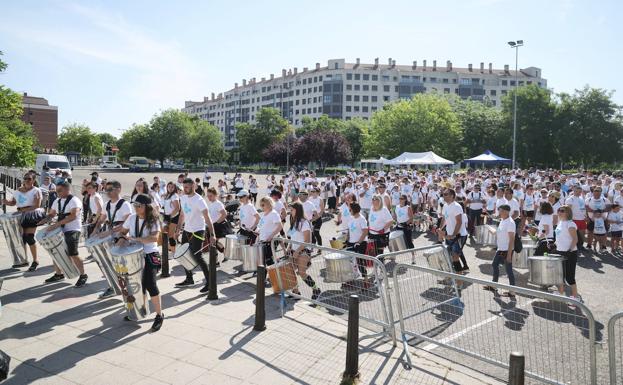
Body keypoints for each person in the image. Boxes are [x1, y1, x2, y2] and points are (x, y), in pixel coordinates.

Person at [118, 194, 164, 331]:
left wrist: (135, 239)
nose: (135, 208)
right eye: (135, 205)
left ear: (146, 206)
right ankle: (142, 310)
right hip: (135, 256)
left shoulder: (154, 220)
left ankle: (159, 315)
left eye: (138, 205)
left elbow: (155, 238)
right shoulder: (132, 218)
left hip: (151, 255)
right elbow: (123, 232)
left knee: (150, 284)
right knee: (138, 284)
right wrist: (121, 240)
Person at [41, 182, 88, 287]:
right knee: (55, 250)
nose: (57, 193)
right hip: (60, 230)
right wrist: (44, 219)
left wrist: (56, 224)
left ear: (67, 190)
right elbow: (52, 214)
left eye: (59, 190)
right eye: (57, 190)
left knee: (73, 253)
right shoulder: (57, 201)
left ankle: (83, 275)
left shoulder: (74, 200)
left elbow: (73, 216)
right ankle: (59, 274)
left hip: (73, 230)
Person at [175, 178, 215, 293]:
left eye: (187, 187)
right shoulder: (182, 198)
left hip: (198, 231)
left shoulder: (199, 200)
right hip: (186, 230)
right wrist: (178, 229)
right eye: (184, 187)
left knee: (198, 257)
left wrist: (212, 234)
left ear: (194, 186)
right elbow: (182, 214)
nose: (185, 189)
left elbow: (208, 218)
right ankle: (189, 279)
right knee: (183, 254)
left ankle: (210, 283)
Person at [2, 173, 45, 270]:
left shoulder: (36, 190)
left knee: (29, 237)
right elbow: (13, 203)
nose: (27, 180)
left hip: (32, 215)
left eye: (29, 179)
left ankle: (35, 260)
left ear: (33, 180)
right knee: (22, 239)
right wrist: (5, 202)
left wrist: (22, 210)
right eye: (25, 178)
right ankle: (23, 260)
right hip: (20, 215)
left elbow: (37, 205)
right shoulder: (17, 191)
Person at [287, 202, 321, 300]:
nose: (290, 212)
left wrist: (297, 251)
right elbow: (291, 237)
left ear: (297, 210)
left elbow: (307, 240)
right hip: (294, 250)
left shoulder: (304, 222)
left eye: (292, 210)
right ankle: (296, 292)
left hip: (303, 251)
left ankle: (316, 289)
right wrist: (289, 248)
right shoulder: (294, 221)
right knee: (291, 271)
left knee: (302, 273)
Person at [484, 204, 516, 297]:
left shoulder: (510, 222)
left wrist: (509, 254)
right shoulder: (503, 220)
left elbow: (511, 239)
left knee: (508, 270)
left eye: (500, 210)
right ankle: (494, 285)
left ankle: (512, 291)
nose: (499, 212)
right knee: (495, 264)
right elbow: (498, 232)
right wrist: (491, 230)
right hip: (501, 249)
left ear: (506, 211)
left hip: (506, 250)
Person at [554, 205, 580, 305]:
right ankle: (560, 293)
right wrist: (554, 244)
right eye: (559, 210)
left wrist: (569, 250)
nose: (559, 212)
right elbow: (560, 237)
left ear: (568, 212)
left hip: (570, 253)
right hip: (560, 251)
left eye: (562, 211)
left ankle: (575, 298)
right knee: (560, 274)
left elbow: (575, 239)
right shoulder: (560, 223)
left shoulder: (570, 224)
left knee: (570, 276)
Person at [440, 189, 465, 274]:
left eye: (446, 194)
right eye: (443, 194)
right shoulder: (445, 206)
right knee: (449, 256)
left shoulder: (457, 206)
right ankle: (453, 277)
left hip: (459, 235)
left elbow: (459, 222)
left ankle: (459, 281)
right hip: (449, 234)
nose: (444, 196)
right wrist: (440, 229)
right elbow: (444, 218)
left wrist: (453, 234)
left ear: (452, 196)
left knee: (455, 257)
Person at [256, 197, 283, 267]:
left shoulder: (273, 214)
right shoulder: (264, 214)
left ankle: (275, 276)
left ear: (269, 204)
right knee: (265, 261)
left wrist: (271, 236)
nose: (261, 207)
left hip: (271, 240)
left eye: (263, 205)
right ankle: (268, 277)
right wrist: (257, 231)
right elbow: (261, 226)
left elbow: (280, 226)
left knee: (269, 260)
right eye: (261, 205)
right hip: (263, 240)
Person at [345, 202, 368, 277]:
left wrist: (358, 242)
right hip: (351, 242)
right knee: (349, 262)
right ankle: (351, 279)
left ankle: (366, 281)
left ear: (354, 210)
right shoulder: (351, 218)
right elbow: (349, 229)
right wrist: (347, 239)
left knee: (360, 262)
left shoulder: (362, 219)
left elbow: (365, 231)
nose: (349, 211)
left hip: (360, 243)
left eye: (350, 210)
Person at [206, 187, 228, 253]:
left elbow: (224, 214)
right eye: (208, 196)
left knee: (213, 242)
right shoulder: (211, 204)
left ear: (215, 195)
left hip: (216, 226)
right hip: (211, 226)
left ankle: (223, 254)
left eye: (211, 196)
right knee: (213, 243)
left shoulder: (218, 204)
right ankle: (224, 254)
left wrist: (216, 223)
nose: (209, 198)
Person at [162, 182, 181, 256]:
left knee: (170, 235)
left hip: (173, 217)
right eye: (168, 186)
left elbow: (177, 208)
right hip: (166, 216)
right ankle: (172, 249)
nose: (170, 188)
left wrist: (170, 216)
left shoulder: (174, 196)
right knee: (165, 233)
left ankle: (173, 252)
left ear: (175, 188)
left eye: (172, 187)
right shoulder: (168, 195)